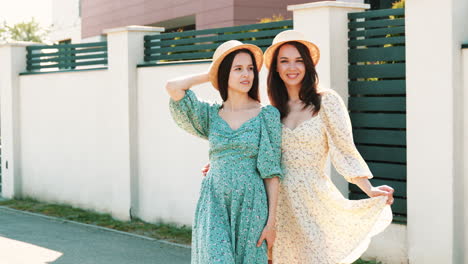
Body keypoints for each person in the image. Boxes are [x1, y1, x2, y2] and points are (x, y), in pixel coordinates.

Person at [264, 30, 394, 264]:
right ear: (275, 68)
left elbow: (344, 150)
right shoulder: (271, 110)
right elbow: (257, 151)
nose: (291, 67)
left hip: (314, 200)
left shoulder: (327, 101)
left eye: (298, 60)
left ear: (308, 65)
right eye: (284, 61)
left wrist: (369, 189)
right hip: (275, 204)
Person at [165, 40, 283, 264]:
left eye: (250, 68)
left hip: (251, 204)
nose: (246, 74)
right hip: (214, 201)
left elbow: (271, 172)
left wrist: (271, 223)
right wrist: (210, 74)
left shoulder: (267, 115)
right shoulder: (210, 114)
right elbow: (173, 87)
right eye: (237, 69)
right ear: (223, 73)